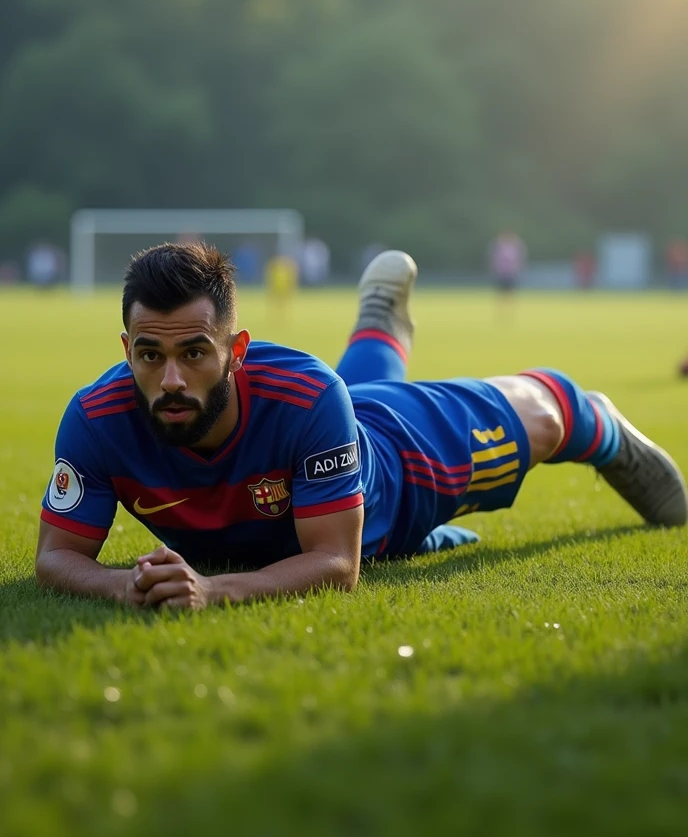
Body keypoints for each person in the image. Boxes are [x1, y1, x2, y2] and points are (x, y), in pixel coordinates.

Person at [36, 243, 687, 610]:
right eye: (150, 355)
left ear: (236, 351)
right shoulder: (96, 418)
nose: (171, 380)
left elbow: (336, 563)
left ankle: (596, 417)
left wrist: (212, 590)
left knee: (545, 418)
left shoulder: (307, 395)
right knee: (360, 390)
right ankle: (380, 324)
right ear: (127, 350)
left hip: (402, 466)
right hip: (341, 427)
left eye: (194, 353)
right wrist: (120, 584)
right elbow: (56, 557)